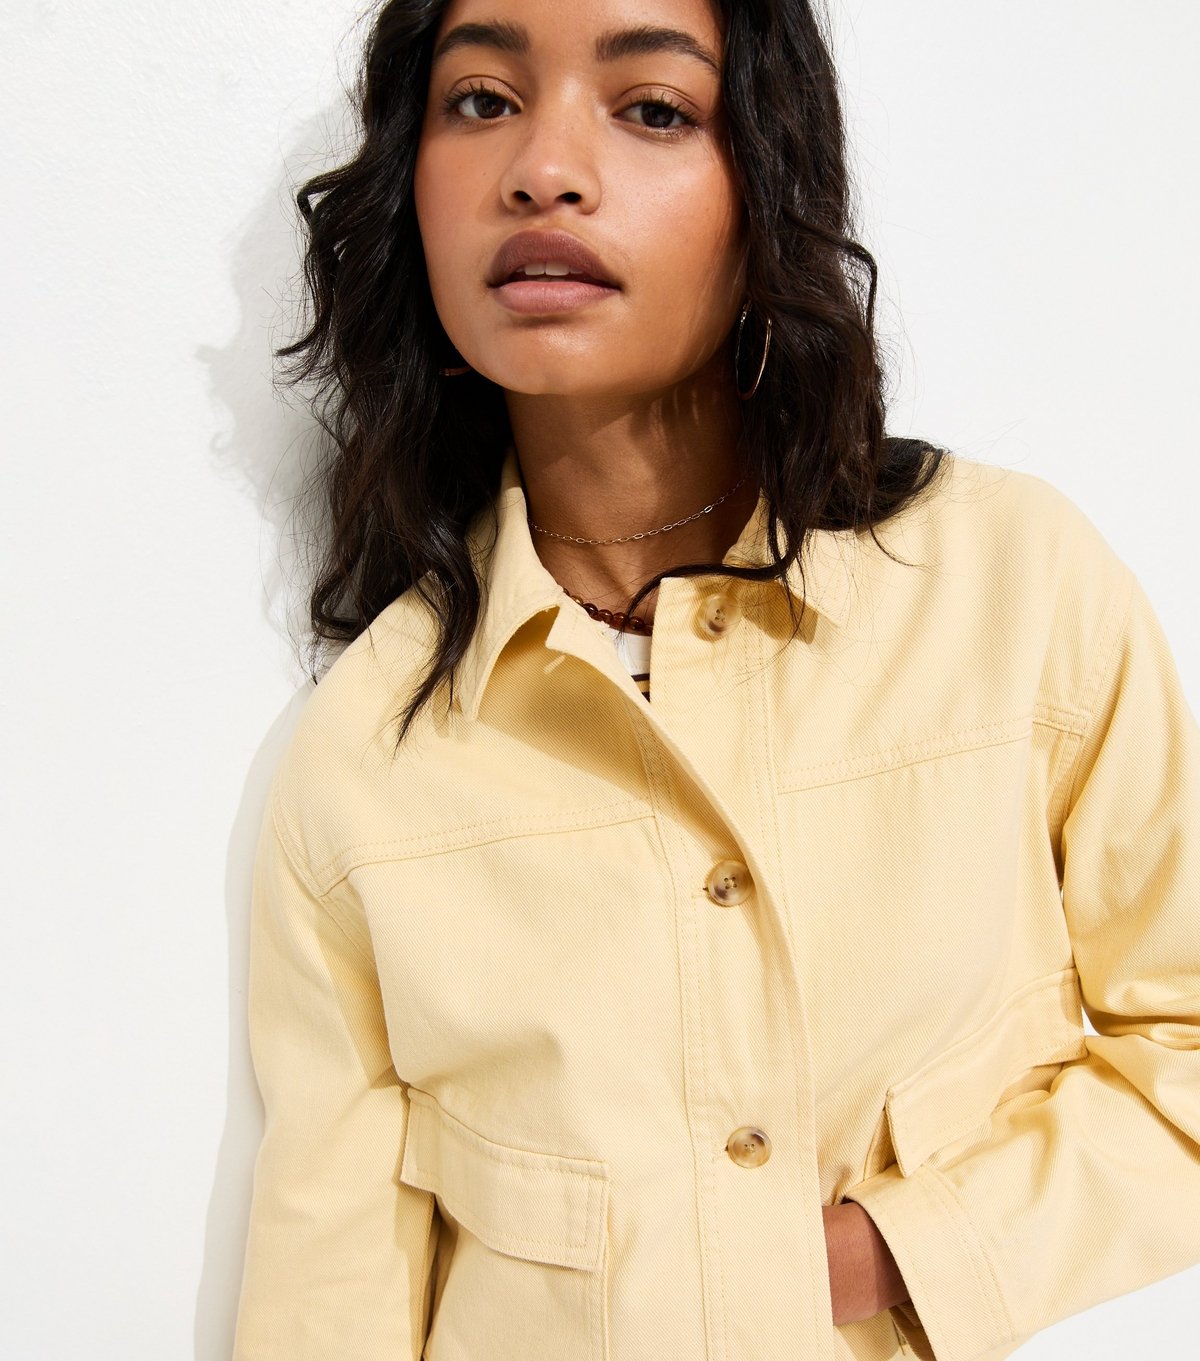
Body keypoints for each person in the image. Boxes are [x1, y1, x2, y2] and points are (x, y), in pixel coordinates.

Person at [232, 1, 1200, 1358]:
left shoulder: (1015, 590)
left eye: (653, 109)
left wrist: (893, 1253)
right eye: (481, 101)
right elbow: (326, 1298)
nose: (543, 170)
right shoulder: (368, 754)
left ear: (768, 179)